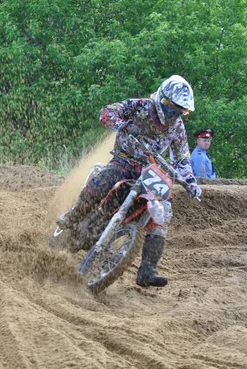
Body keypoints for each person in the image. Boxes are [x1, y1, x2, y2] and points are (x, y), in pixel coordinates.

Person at [57, 75, 201, 288]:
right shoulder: (139, 106)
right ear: (162, 99)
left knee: (164, 210)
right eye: (172, 107)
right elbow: (106, 112)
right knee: (105, 180)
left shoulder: (177, 127)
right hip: (125, 160)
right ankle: (74, 215)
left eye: (181, 110)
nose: (174, 113)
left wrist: (191, 182)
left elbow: (182, 158)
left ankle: (147, 269)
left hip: (149, 171)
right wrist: (124, 125)